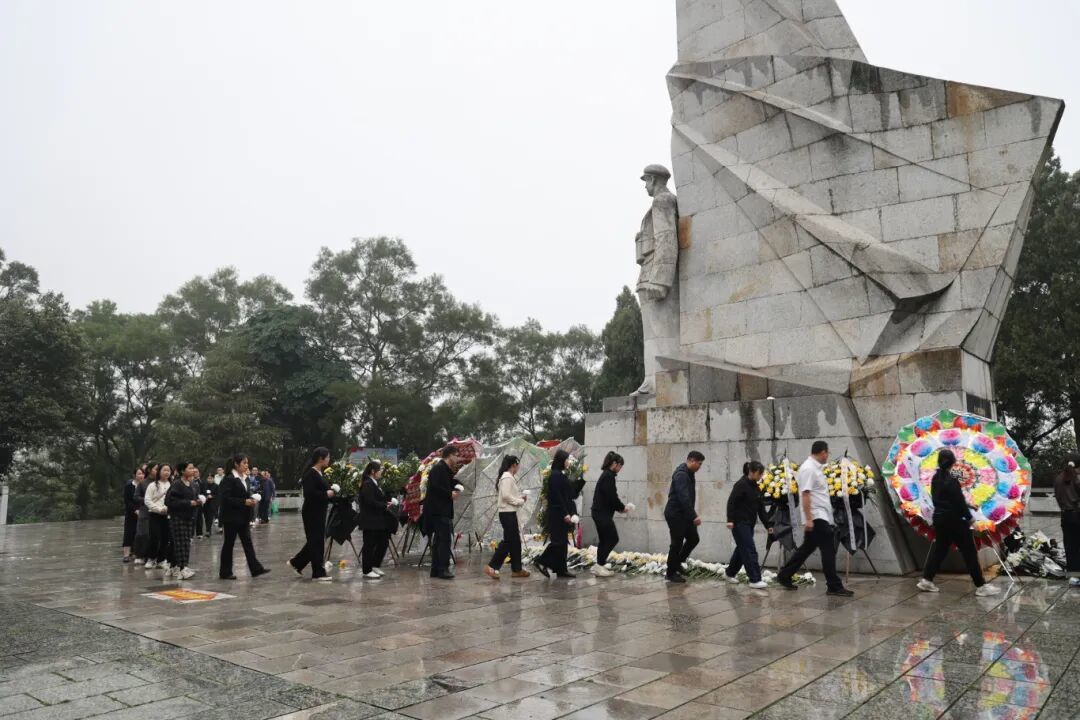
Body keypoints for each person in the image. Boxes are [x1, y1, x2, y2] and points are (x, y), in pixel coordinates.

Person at [918, 449, 1000, 596]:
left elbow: (947, 499)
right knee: (969, 552)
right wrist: (971, 519)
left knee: (940, 550)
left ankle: (926, 580)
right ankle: (981, 586)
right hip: (955, 522)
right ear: (953, 463)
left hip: (940, 519)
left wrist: (969, 505)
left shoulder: (936, 478)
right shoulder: (952, 481)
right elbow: (959, 503)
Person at [776, 441, 853, 596]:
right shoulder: (809, 469)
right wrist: (809, 519)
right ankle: (834, 585)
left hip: (819, 515)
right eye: (827, 453)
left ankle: (785, 575)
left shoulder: (814, 468)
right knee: (828, 549)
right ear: (823, 452)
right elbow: (805, 494)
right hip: (817, 516)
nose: (827, 456)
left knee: (807, 548)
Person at [218, 453, 270, 580]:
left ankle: (255, 568)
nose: (247, 465)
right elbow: (225, 499)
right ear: (236, 464)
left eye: (247, 463)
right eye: (244, 463)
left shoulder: (245, 478)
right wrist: (243, 502)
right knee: (229, 544)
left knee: (248, 543)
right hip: (231, 517)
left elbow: (244, 495)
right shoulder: (229, 479)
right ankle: (225, 572)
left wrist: (251, 500)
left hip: (243, 516)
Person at [725, 461, 772, 589]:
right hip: (739, 523)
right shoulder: (741, 485)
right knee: (749, 550)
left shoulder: (756, 487)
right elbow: (731, 503)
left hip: (749, 523)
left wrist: (768, 525)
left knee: (741, 550)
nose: (761, 476)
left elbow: (761, 509)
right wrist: (730, 520)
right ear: (751, 472)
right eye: (759, 473)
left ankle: (729, 573)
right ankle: (755, 579)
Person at [289, 447, 334, 582]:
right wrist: (326, 494)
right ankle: (318, 573)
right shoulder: (311, 474)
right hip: (312, 512)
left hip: (319, 511)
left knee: (316, 541)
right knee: (316, 542)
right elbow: (309, 494)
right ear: (321, 458)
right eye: (327, 457)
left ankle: (297, 563)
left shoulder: (320, 473)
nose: (329, 459)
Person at [535, 449, 578, 579]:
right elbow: (557, 497)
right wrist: (565, 513)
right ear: (561, 460)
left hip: (561, 513)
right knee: (558, 542)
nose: (568, 462)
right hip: (557, 514)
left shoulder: (560, 474)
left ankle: (561, 570)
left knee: (562, 543)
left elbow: (567, 494)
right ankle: (541, 561)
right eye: (566, 459)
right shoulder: (555, 475)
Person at [485, 455, 530, 579]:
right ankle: (492, 566)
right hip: (507, 513)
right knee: (509, 541)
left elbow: (509, 495)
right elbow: (505, 496)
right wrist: (519, 501)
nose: (518, 468)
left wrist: (520, 498)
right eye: (518, 465)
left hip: (510, 512)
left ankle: (517, 569)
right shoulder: (507, 477)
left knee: (515, 542)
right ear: (514, 465)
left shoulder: (509, 477)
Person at [665, 451, 704, 583]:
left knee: (693, 538)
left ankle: (677, 563)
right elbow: (683, 497)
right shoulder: (681, 475)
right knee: (676, 543)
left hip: (684, 514)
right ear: (691, 460)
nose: (700, 467)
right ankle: (670, 573)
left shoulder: (689, 473)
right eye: (699, 464)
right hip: (675, 514)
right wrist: (694, 516)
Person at [424, 445, 462, 579]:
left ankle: (435, 569)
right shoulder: (439, 468)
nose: (457, 459)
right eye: (456, 456)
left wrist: (457, 486)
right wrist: (449, 494)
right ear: (450, 455)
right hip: (438, 510)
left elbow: (448, 484)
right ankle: (443, 569)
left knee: (439, 540)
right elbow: (435, 487)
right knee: (445, 539)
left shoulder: (446, 470)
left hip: (442, 509)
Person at [592, 452, 632, 577]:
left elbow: (609, 497)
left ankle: (600, 565)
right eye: (620, 466)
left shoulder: (607, 475)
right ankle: (599, 565)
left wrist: (619, 508)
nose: (620, 469)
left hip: (600, 512)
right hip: (601, 513)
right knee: (612, 538)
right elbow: (612, 497)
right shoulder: (608, 476)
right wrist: (622, 508)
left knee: (604, 540)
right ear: (614, 464)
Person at [358, 461, 396, 579]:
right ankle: (367, 570)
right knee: (369, 544)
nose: (380, 473)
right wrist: (385, 505)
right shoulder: (367, 483)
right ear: (373, 471)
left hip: (377, 519)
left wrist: (386, 503)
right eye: (379, 471)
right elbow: (370, 502)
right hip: (370, 520)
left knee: (383, 541)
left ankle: (375, 565)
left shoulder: (374, 483)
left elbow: (377, 499)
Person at [165, 463, 203, 580]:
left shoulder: (192, 484)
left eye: (193, 468)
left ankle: (180, 566)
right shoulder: (177, 484)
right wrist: (188, 503)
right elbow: (169, 501)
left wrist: (198, 501)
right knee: (180, 543)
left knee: (186, 543)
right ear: (182, 471)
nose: (193, 470)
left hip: (189, 517)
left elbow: (193, 499)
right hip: (178, 518)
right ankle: (182, 568)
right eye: (190, 468)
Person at [1055, 455, 1080, 588]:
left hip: (1065, 515)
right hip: (1077, 514)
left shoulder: (1058, 478)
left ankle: (1073, 576)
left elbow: (1058, 497)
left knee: (1070, 546)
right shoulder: (1077, 478)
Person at [144, 463, 173, 572]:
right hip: (155, 515)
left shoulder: (172, 485)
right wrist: (158, 509)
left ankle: (161, 560)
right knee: (154, 537)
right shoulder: (152, 485)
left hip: (167, 515)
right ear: (159, 472)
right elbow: (147, 500)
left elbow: (174, 500)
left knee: (165, 538)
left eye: (168, 470)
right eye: (164, 470)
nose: (167, 472)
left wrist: (167, 508)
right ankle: (151, 558)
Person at [133, 464, 156, 564]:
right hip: (145, 512)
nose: (158, 471)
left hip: (157, 512)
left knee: (155, 535)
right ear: (150, 470)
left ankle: (154, 556)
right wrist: (147, 500)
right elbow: (136, 497)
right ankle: (140, 555)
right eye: (156, 469)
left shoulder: (160, 483)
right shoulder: (143, 483)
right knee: (143, 534)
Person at [122, 467, 143, 562]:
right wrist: (135, 510)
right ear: (134, 475)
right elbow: (127, 501)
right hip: (131, 513)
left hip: (143, 512)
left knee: (139, 534)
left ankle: (137, 553)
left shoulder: (145, 485)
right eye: (139, 473)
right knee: (128, 533)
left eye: (142, 473)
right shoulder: (129, 486)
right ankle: (126, 555)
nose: (141, 475)